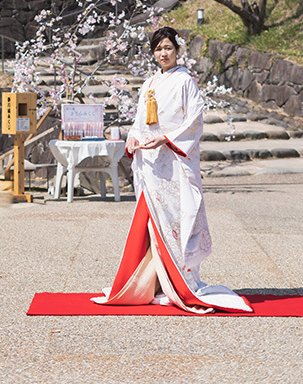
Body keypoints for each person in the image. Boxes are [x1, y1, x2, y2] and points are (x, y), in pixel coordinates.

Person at [93, 26, 252, 313]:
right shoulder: (151, 82)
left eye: (167, 47)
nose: (163, 53)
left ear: (177, 50)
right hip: (153, 165)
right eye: (158, 49)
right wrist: (133, 136)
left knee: (180, 220)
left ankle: (180, 281)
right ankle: (153, 283)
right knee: (153, 223)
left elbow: (194, 120)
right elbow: (141, 118)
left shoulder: (185, 82)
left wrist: (166, 138)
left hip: (175, 163)